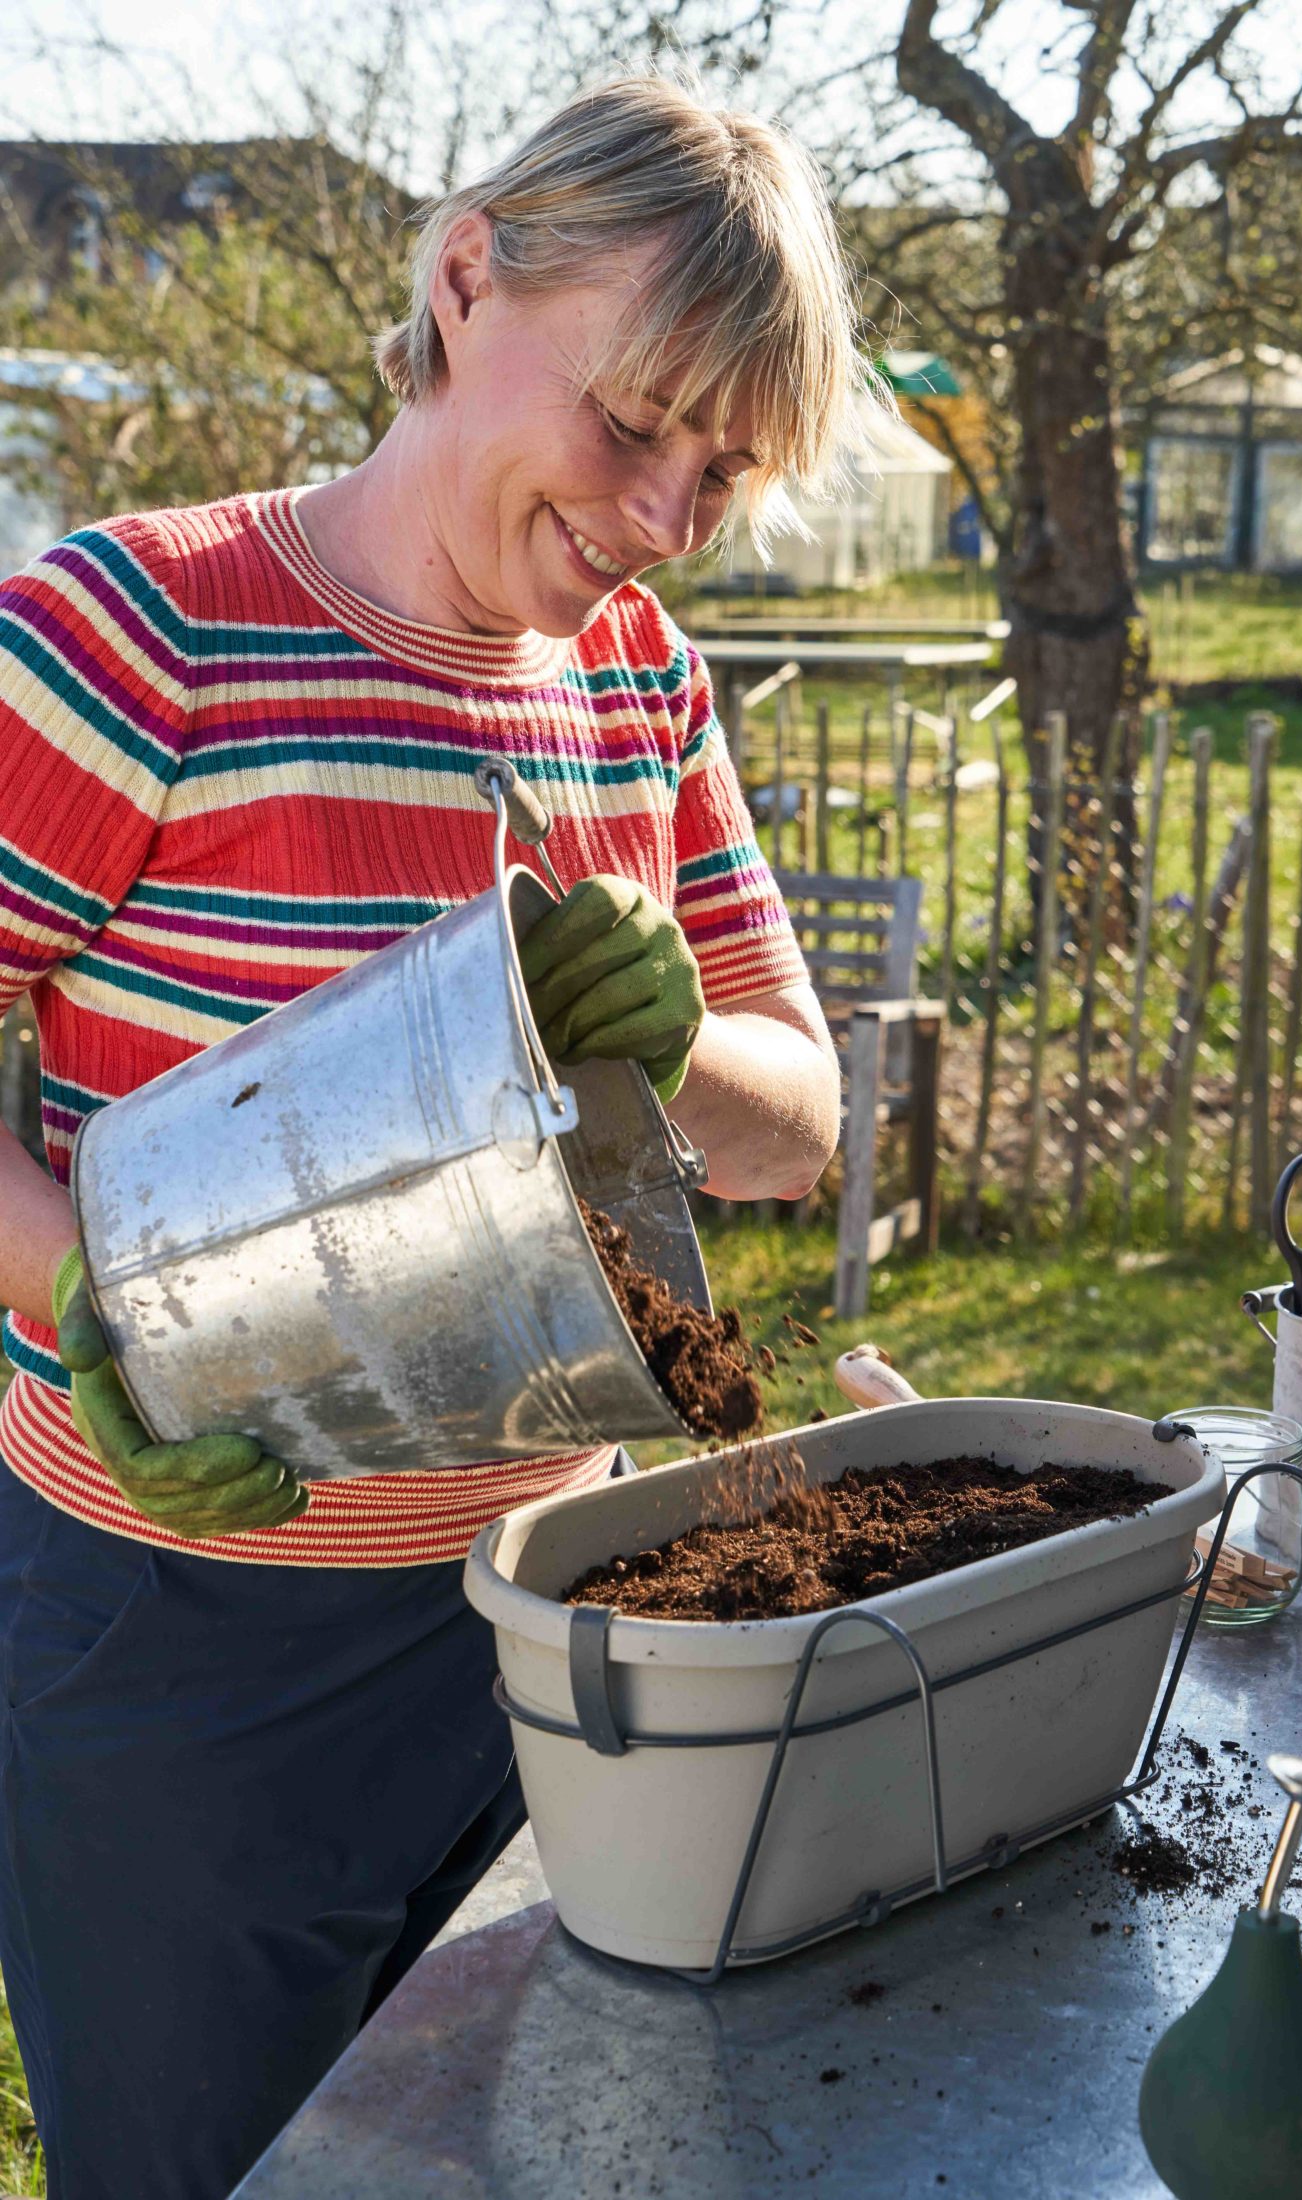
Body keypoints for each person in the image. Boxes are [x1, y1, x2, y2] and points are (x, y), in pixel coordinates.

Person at [0, 72, 867, 2198]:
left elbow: (797, 1120)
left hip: (557, 1600)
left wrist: (661, 1036)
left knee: (513, 2160)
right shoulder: (133, 634)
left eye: (723, 472)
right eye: (636, 423)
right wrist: (87, 1289)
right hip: (177, 1624)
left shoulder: (635, 680)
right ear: (468, 276)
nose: (665, 514)